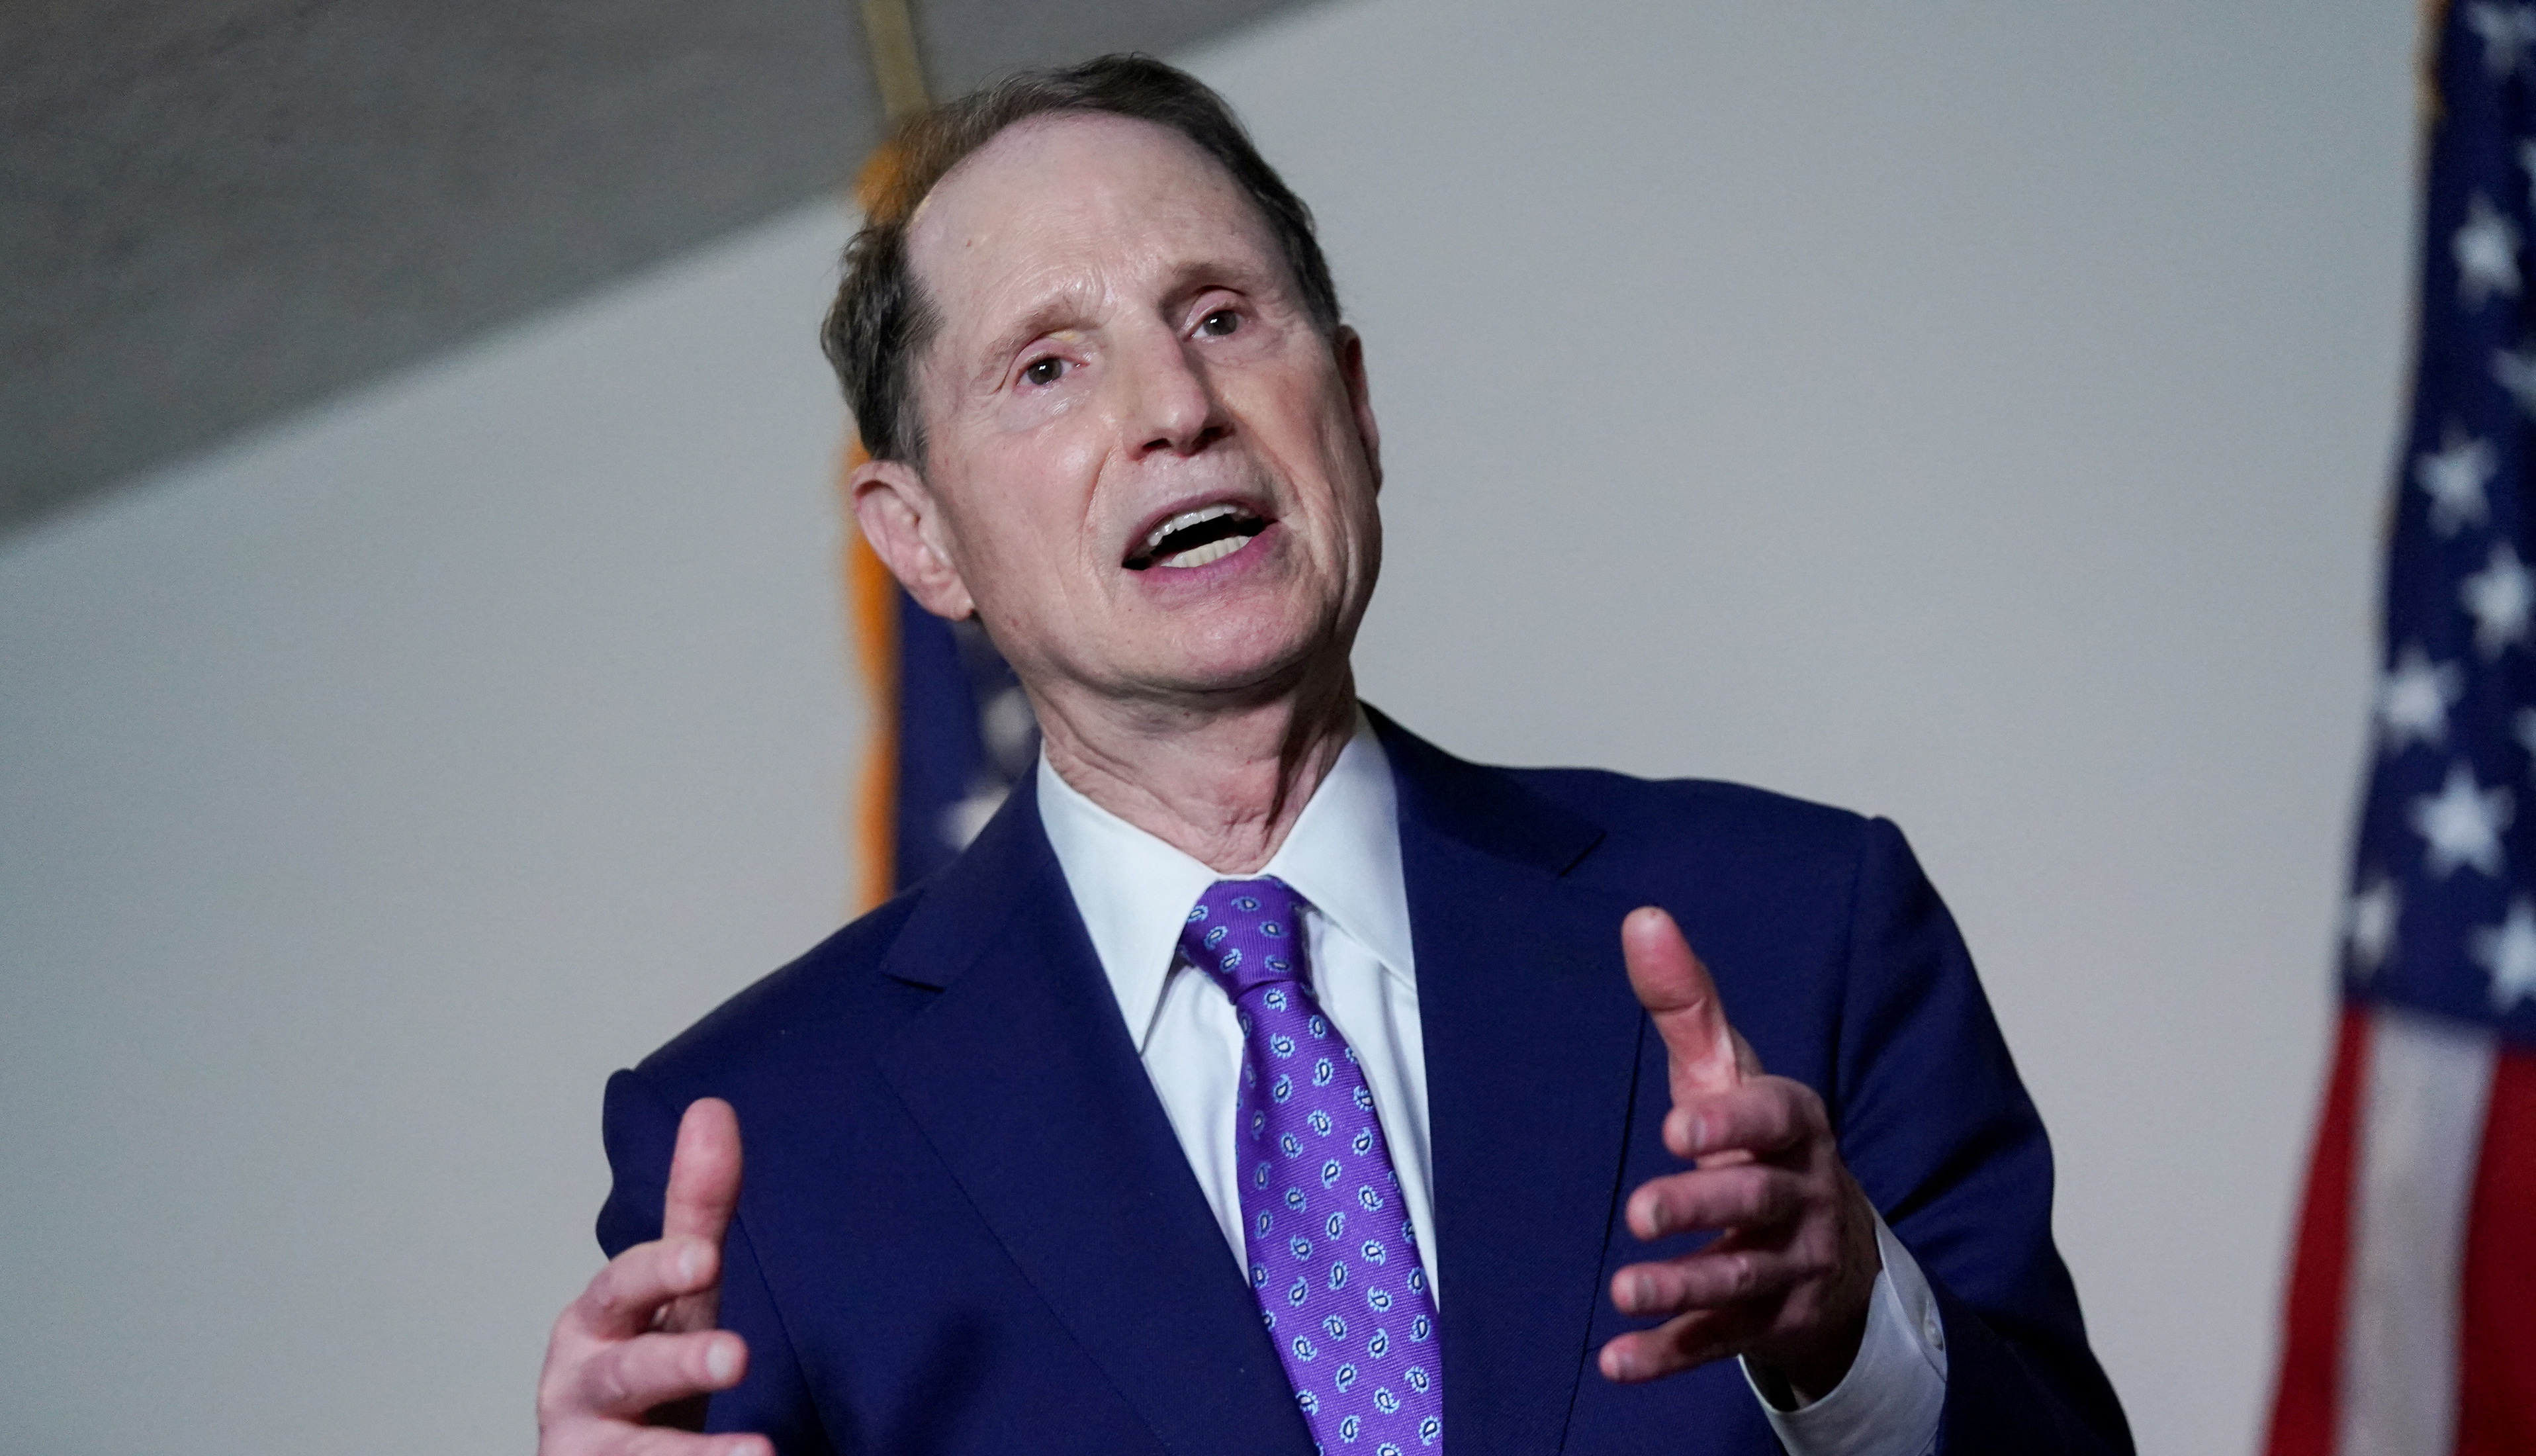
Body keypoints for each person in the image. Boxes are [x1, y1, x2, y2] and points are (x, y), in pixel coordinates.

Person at [533, 55, 2130, 1456]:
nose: (1176, 405)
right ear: (921, 537)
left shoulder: (1801, 921)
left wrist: (1851, 1335)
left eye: (1220, 315)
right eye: (1046, 365)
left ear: (1353, 406)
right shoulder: (765, 1142)